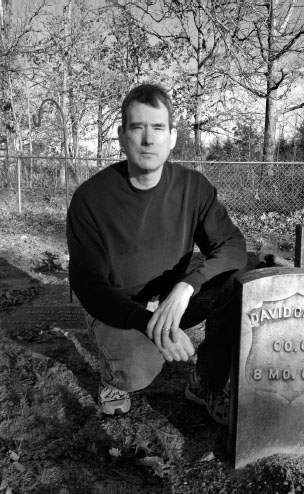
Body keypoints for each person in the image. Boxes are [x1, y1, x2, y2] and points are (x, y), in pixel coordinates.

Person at [67, 83, 247, 425]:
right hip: (117, 308)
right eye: (137, 128)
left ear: (172, 136)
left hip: (171, 299)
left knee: (240, 283)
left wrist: (188, 286)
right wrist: (146, 322)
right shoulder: (91, 199)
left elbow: (232, 247)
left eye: (158, 128)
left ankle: (205, 383)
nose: (148, 140)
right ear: (122, 136)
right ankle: (114, 377)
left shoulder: (193, 187)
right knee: (139, 369)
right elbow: (89, 285)